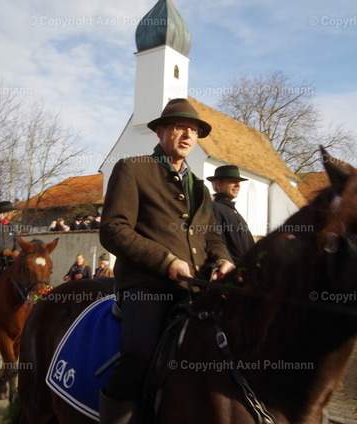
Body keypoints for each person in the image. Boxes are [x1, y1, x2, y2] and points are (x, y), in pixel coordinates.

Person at [99, 98, 234, 423]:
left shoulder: (200, 188)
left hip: (196, 289)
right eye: (179, 127)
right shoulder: (132, 169)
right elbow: (113, 230)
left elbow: (211, 236)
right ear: (160, 131)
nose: (188, 135)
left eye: (194, 130)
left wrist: (223, 260)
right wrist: (166, 261)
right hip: (146, 286)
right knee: (140, 353)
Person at [207, 165, 255, 266]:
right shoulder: (216, 208)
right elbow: (217, 241)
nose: (237, 185)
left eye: (239, 182)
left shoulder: (231, 209)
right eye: (232, 181)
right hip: (231, 268)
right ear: (219, 184)